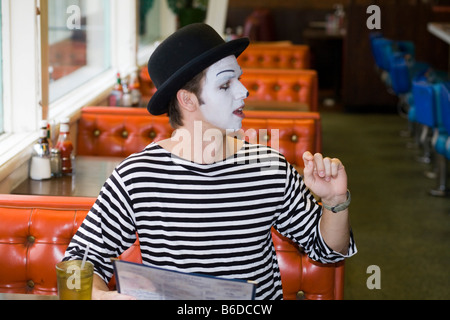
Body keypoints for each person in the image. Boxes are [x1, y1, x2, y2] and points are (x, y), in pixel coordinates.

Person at [64, 23, 356, 300]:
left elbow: (328, 251)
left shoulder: (270, 167)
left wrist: (335, 201)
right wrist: (101, 295)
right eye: (225, 84)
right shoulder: (136, 177)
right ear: (188, 100)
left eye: (238, 78)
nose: (243, 91)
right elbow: (78, 262)